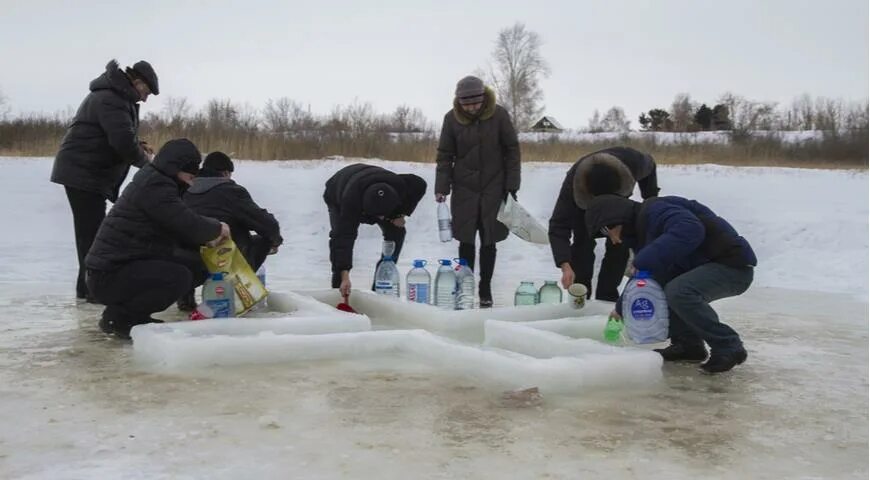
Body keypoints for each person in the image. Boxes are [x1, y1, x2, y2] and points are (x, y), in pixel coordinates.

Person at [585, 194, 757, 373]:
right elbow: (646, 276)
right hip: (711, 266)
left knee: (679, 291)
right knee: (664, 286)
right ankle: (688, 345)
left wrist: (644, 259)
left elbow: (691, 229)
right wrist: (620, 308)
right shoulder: (643, 233)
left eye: (606, 232)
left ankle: (728, 345)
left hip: (732, 267)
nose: (612, 240)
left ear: (614, 219)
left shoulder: (656, 210)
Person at [85, 139, 229, 339]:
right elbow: (185, 221)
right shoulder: (155, 186)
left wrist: (205, 239)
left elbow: (176, 226)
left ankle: (125, 314)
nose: (191, 181)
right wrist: (217, 228)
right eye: (190, 175)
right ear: (176, 168)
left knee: (195, 265)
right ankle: (123, 318)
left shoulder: (158, 181)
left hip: (121, 266)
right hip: (108, 275)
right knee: (178, 277)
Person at [51, 59, 160, 302]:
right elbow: (121, 142)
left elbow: (117, 136)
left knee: (92, 233)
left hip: (88, 173)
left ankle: (87, 287)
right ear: (137, 81)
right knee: (91, 235)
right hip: (83, 173)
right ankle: (91, 290)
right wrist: (149, 165)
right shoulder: (112, 98)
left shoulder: (117, 96)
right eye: (146, 92)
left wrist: (138, 146)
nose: (145, 99)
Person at [435, 75, 521, 307]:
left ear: (483, 99)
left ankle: (485, 287)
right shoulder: (451, 120)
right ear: (459, 102)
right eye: (467, 103)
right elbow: (445, 156)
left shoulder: (499, 115)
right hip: (464, 188)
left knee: (489, 239)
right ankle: (466, 284)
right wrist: (442, 187)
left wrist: (512, 185)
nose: (472, 107)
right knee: (465, 239)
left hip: (495, 187)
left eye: (475, 102)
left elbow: (512, 150)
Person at [548, 147, 659, 301]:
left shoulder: (635, 162)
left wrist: (650, 200)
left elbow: (651, 166)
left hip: (620, 203)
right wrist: (565, 265)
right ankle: (581, 296)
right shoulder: (573, 187)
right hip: (584, 208)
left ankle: (607, 297)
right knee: (582, 245)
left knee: (620, 244)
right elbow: (558, 226)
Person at [177, 151, 283, 310]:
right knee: (262, 240)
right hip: (224, 261)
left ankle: (186, 300)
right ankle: (236, 291)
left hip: (187, 261)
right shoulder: (231, 191)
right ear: (225, 173)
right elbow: (267, 225)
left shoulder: (183, 190)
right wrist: (275, 241)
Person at [323, 163, 427, 298]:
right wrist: (345, 274)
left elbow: (420, 184)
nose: (382, 218)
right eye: (379, 216)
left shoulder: (400, 187)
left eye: (384, 215)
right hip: (338, 189)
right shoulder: (350, 203)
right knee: (339, 238)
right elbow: (343, 239)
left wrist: (401, 213)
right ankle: (339, 290)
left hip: (376, 185)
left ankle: (381, 284)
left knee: (397, 232)